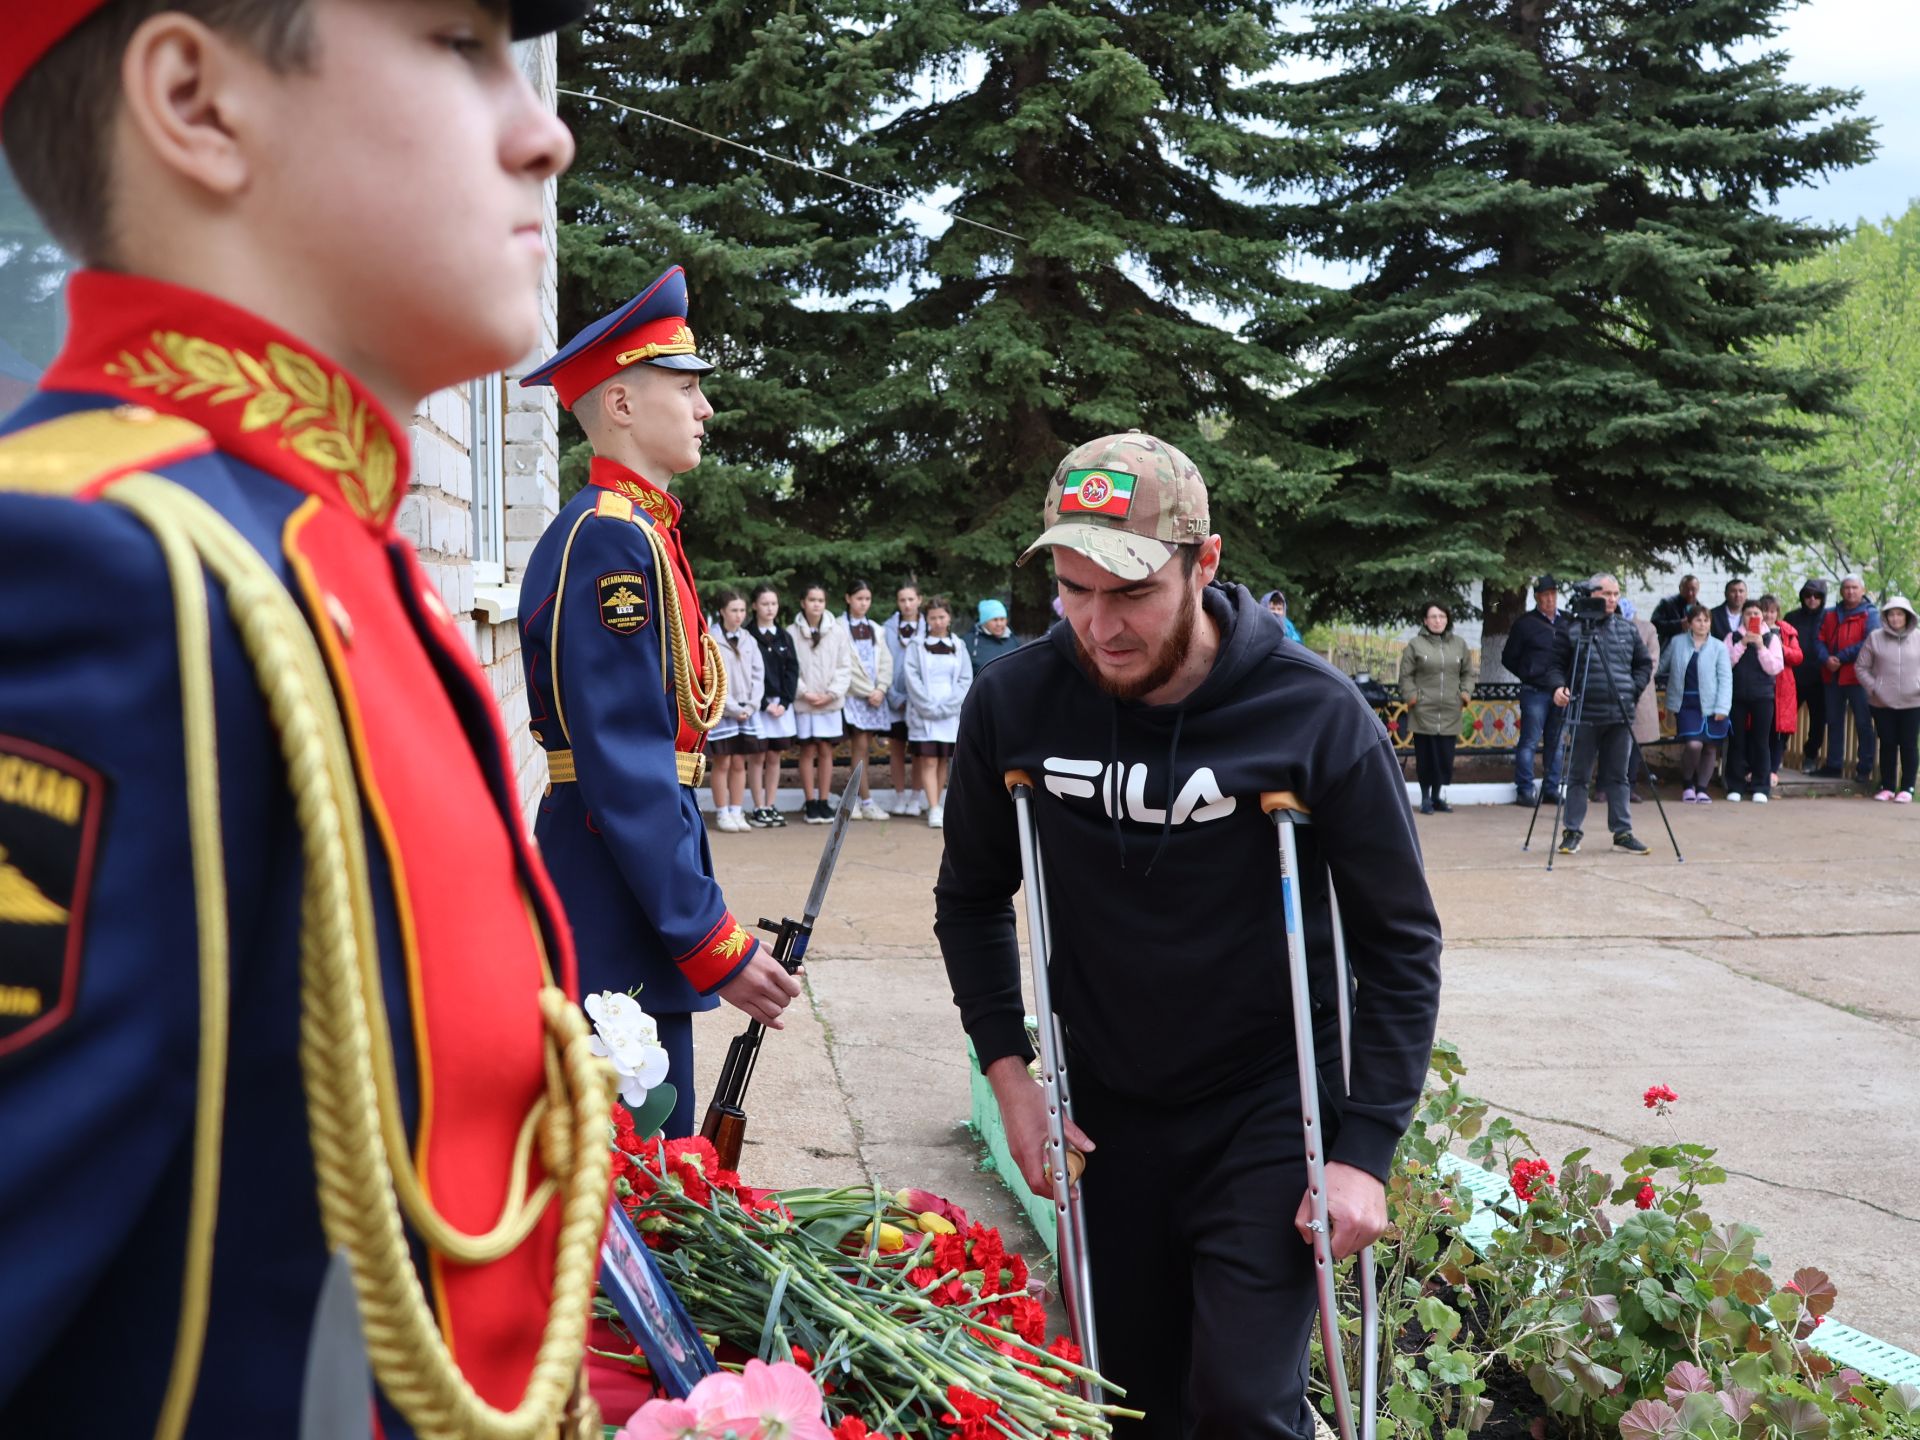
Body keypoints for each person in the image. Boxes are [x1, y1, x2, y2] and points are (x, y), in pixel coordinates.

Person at [0, 2, 622, 1434]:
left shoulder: (327, 558)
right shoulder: (100, 575)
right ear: (196, 102)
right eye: (458, 44)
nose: (544, 130)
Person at [935, 430, 1442, 1440]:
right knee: (1128, 1402)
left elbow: (1399, 938)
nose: (1097, 626)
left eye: (1129, 593)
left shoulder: (1313, 714)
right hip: (1103, 1110)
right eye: (1072, 591)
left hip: (1264, 1112)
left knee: (1240, 1405)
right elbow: (973, 898)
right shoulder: (1017, 702)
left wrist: (1366, 1149)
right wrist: (1014, 1083)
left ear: (1203, 563)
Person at [519, 264, 802, 1143]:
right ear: (622, 406)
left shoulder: (639, 530)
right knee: (629, 1165)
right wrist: (709, 937)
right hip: (610, 885)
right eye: (685, 387)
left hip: (629, 873)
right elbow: (626, 766)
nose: (705, 408)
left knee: (651, 1145)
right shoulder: (610, 539)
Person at [1548, 574, 1654, 854]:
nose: (1612, 599)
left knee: (1619, 777)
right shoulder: (1572, 629)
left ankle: (1622, 833)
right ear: (1590, 594)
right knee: (1578, 776)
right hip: (1584, 713)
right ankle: (1572, 831)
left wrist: (1632, 689)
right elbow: (1555, 666)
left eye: (1616, 594)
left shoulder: (1627, 629)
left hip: (1620, 713)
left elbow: (1643, 664)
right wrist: (1558, 687)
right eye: (1606, 593)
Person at [903, 594, 974, 828]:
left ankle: (939, 802)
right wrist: (928, 706)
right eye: (932, 618)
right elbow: (911, 677)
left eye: (941, 617)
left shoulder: (959, 646)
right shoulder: (917, 646)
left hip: (949, 713)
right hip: (924, 712)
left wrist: (948, 707)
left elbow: (965, 679)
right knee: (928, 760)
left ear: (949, 618)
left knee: (943, 759)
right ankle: (933, 806)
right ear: (926, 620)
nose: (938, 622)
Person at [1398, 601, 1473, 814]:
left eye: (1441, 616)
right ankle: (1425, 799)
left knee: (1443, 757)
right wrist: (1412, 697)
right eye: (1433, 617)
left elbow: (1468, 672)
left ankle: (1437, 797)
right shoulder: (1415, 645)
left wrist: (1465, 694)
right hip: (1424, 710)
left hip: (1450, 709)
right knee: (1426, 757)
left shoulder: (1459, 644)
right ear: (1425, 620)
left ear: (1447, 619)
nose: (1437, 620)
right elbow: (1406, 675)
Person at [788, 582, 853, 822]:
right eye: (812, 600)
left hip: (828, 702)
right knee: (807, 750)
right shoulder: (791, 632)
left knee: (826, 750)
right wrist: (804, 693)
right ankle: (810, 801)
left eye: (821, 600)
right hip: (805, 701)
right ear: (803, 603)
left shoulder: (837, 631)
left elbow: (845, 666)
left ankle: (824, 800)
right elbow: (790, 668)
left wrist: (831, 693)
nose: (817, 604)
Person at [1501, 575, 1567, 806]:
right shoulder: (1525, 624)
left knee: (1556, 742)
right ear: (1537, 597)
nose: (1549, 599)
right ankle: (1525, 789)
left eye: (1553, 594)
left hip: (1560, 692)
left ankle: (1551, 788)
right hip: (1534, 691)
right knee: (1529, 740)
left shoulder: (1566, 621)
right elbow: (1508, 657)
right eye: (1545, 595)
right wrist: (1529, 672)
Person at [706, 589, 765, 832]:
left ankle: (736, 810)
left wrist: (751, 706)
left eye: (742, 610)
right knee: (723, 762)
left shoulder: (749, 639)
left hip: (747, 711)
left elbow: (758, 675)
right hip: (724, 711)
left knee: (740, 762)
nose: (739, 615)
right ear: (722, 611)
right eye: (734, 610)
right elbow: (712, 676)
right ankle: (722, 811)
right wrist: (730, 707)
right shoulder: (711, 639)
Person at [1854, 596, 1920, 802]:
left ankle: (1907, 788)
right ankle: (1887, 786)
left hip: (1913, 702)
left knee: (1909, 744)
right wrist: (1875, 688)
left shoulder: (1918, 637)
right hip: (1882, 702)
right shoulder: (1875, 637)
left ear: (1907, 616)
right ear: (1886, 617)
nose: (1895, 618)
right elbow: (1860, 667)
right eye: (1891, 614)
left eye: (1899, 614)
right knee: (1888, 743)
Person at [1663, 604, 1731, 803]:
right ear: (1689, 623)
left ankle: (1702, 788)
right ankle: (1687, 784)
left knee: (1710, 747)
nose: (1702, 624)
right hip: (1685, 703)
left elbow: (1726, 679)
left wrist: (1722, 708)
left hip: (1713, 704)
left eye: (1706, 620)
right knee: (1693, 744)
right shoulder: (1677, 642)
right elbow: (1660, 666)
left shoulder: (1719, 647)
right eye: (1698, 620)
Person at [1815, 575, 1880, 783]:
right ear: (1841, 591)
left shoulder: (1871, 614)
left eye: (1854, 588)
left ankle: (1864, 768)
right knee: (1833, 721)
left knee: (1863, 723)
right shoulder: (1830, 614)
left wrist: (1841, 658)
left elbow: (1869, 642)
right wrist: (1826, 658)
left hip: (1858, 676)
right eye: (1846, 588)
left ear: (1863, 590)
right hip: (1832, 675)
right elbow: (1818, 640)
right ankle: (1834, 765)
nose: (1850, 591)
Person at [839, 579, 895, 821]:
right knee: (859, 747)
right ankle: (863, 799)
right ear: (848, 598)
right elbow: (844, 665)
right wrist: (867, 691)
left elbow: (885, 661)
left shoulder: (876, 629)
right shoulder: (839, 627)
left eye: (867, 599)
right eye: (859, 598)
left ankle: (860, 798)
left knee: (866, 748)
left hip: (874, 697)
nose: (863, 603)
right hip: (854, 696)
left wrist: (880, 688)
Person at [1722, 600, 1784, 802]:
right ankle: (1735, 786)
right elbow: (1725, 663)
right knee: (1736, 741)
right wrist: (1742, 644)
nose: (1752, 617)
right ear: (1743, 616)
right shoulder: (1733, 637)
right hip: (1737, 696)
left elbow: (1775, 667)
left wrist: (1759, 646)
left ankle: (1761, 786)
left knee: (1761, 741)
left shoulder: (1771, 638)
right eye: (1748, 613)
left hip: (1763, 696)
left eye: (1756, 613)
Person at [748, 583, 798, 826]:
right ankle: (758, 806)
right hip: (759, 706)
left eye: (774, 604)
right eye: (765, 604)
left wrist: (785, 702)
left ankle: (770, 803)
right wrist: (763, 702)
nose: (770, 608)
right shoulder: (748, 635)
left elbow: (792, 670)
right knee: (758, 756)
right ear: (755, 606)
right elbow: (751, 672)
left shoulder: (784, 636)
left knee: (775, 756)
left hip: (780, 708)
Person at [882, 582, 928, 814]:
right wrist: (893, 696)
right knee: (897, 748)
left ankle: (916, 797)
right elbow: (883, 663)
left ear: (919, 599)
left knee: (920, 750)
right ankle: (899, 796)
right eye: (902, 600)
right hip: (895, 700)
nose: (907, 604)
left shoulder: (930, 626)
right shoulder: (887, 628)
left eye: (911, 599)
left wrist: (917, 698)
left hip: (920, 702)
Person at [1783, 579, 1830, 771]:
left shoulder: (1828, 618)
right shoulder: (1791, 617)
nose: (1812, 599)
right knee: (1784, 718)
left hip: (1819, 678)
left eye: (1817, 595)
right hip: (1793, 677)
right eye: (1808, 595)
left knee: (1818, 721)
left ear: (1823, 598)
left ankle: (1810, 757)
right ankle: (1777, 753)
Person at [1757, 594, 1803, 787]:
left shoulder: (1786, 631)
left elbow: (1798, 657)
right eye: (1765, 610)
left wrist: (1779, 647)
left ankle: (1773, 770)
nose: (1769, 614)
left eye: (1773, 610)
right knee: (1760, 729)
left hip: (1783, 686)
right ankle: (1758, 769)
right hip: (1759, 684)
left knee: (1779, 731)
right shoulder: (1753, 629)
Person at [966, 596, 1023, 671]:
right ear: (984, 622)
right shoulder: (969, 641)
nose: (999, 624)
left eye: (1002, 619)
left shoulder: (1014, 641)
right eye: (994, 620)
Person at [1651, 574, 1701, 649]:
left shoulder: (1700, 608)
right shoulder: (1667, 603)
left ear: (1698, 590)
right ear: (1680, 588)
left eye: (1693, 589)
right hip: (1670, 650)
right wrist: (1679, 625)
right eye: (1686, 589)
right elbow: (1654, 625)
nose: (1690, 593)